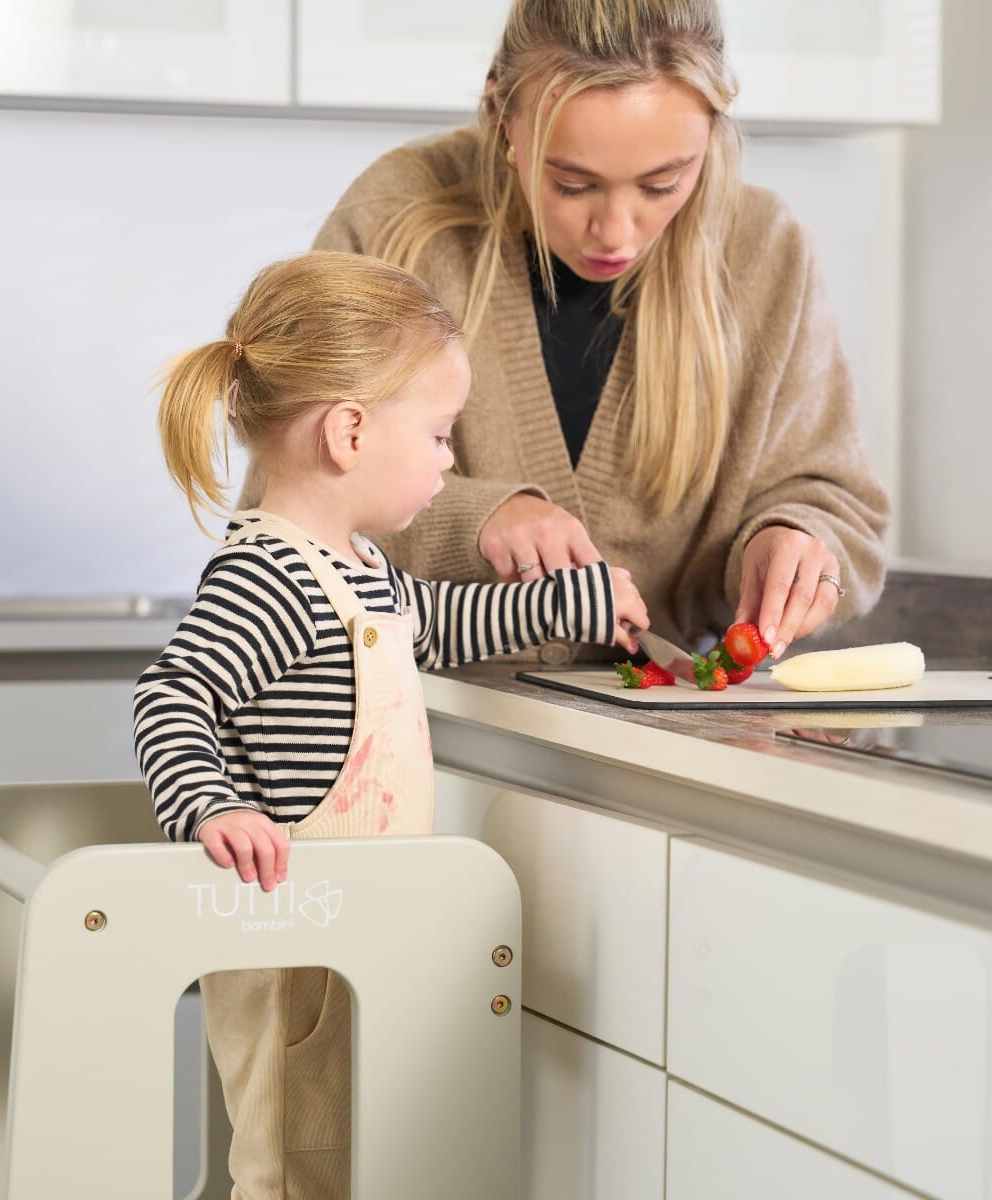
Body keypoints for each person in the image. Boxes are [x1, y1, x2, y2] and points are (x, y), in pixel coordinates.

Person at [133, 251, 647, 1200]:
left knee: (357, 1160)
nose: (452, 461)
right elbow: (171, 696)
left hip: (352, 931)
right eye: (443, 433)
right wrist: (209, 806)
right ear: (350, 432)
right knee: (295, 1167)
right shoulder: (267, 578)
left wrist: (567, 601)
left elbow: (439, 623)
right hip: (298, 953)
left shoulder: (355, 564)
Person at [239, 0, 890, 668]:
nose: (616, 232)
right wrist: (478, 520)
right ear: (503, 119)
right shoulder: (394, 217)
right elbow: (280, 498)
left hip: (666, 741)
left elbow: (836, 504)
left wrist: (794, 538)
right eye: (572, 183)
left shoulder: (767, 252)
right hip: (420, 731)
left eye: (664, 183)